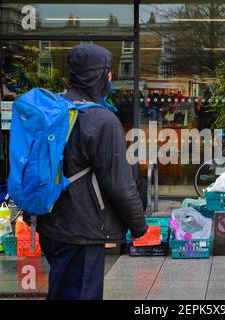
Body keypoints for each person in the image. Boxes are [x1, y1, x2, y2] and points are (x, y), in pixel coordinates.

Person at [36, 44, 148, 300]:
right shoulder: (102, 120)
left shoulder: (52, 109)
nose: (111, 77)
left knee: (61, 290)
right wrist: (139, 226)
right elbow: (119, 184)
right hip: (83, 230)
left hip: (50, 224)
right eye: (108, 71)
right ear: (98, 74)